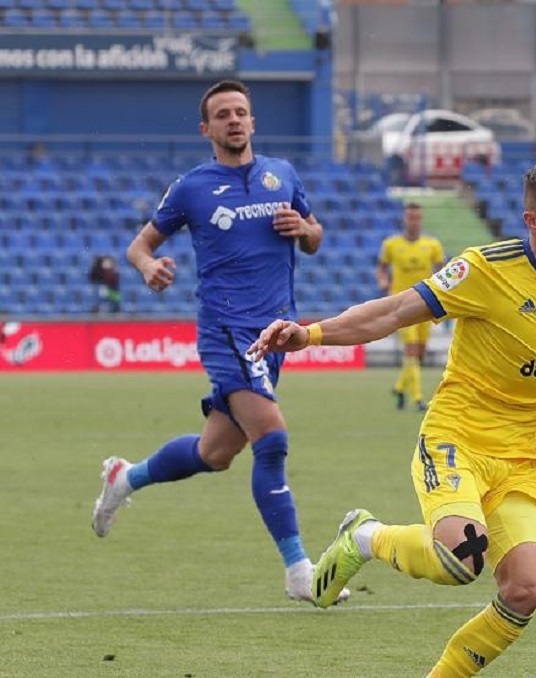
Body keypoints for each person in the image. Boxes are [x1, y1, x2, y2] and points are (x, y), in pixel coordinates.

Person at [247, 158, 536, 677]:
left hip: (520, 466)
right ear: (531, 220)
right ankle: (365, 537)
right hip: (456, 441)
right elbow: (396, 310)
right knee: (459, 559)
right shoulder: (485, 270)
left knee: (526, 589)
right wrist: (310, 335)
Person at [90, 79, 348, 604]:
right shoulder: (192, 187)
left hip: (277, 332)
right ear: (207, 128)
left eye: (242, 112)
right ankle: (300, 571)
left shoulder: (284, 175)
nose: (234, 120)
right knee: (271, 439)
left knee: (215, 452)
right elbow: (140, 245)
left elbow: (317, 237)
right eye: (223, 114)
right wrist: (147, 267)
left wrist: (304, 227)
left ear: (253, 122)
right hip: (227, 329)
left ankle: (125, 477)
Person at [376, 202, 445, 410]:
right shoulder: (391, 245)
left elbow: (442, 271)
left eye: (417, 217)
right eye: (410, 217)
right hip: (401, 305)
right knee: (412, 349)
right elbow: (382, 268)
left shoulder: (432, 245)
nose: (413, 221)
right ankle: (417, 399)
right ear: (404, 219)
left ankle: (399, 387)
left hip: (425, 303)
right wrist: (382, 280)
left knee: (420, 353)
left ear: (421, 220)